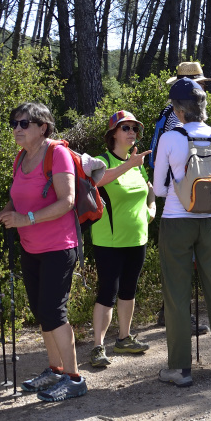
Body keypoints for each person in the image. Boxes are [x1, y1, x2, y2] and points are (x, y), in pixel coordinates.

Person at [0, 102, 87, 401]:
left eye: (23, 123)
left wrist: (25, 219)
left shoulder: (57, 154)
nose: (16, 129)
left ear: (43, 127)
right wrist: (1, 214)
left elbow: (67, 201)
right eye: (14, 123)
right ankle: (56, 370)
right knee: (42, 312)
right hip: (31, 248)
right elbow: (16, 199)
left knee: (54, 313)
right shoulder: (21, 158)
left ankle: (75, 379)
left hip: (59, 247)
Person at [154, 79, 211, 385]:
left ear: (178, 109)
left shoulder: (170, 138)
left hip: (176, 221)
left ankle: (180, 369)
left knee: (176, 295)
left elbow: (160, 189)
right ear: (203, 106)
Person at [149, 61, 211, 336]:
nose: (203, 89)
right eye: (201, 84)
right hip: (181, 193)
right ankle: (179, 315)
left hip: (173, 189)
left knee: (180, 261)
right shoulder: (180, 116)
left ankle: (169, 311)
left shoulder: (169, 111)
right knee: (184, 262)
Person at [87, 110, 154, 369]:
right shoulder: (101, 161)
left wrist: (152, 209)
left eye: (134, 128)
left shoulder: (138, 163)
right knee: (108, 293)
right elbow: (98, 181)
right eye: (125, 128)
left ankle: (124, 338)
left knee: (128, 290)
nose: (131, 132)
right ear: (113, 133)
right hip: (109, 241)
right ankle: (97, 346)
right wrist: (129, 164)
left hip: (137, 238)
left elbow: (148, 189)